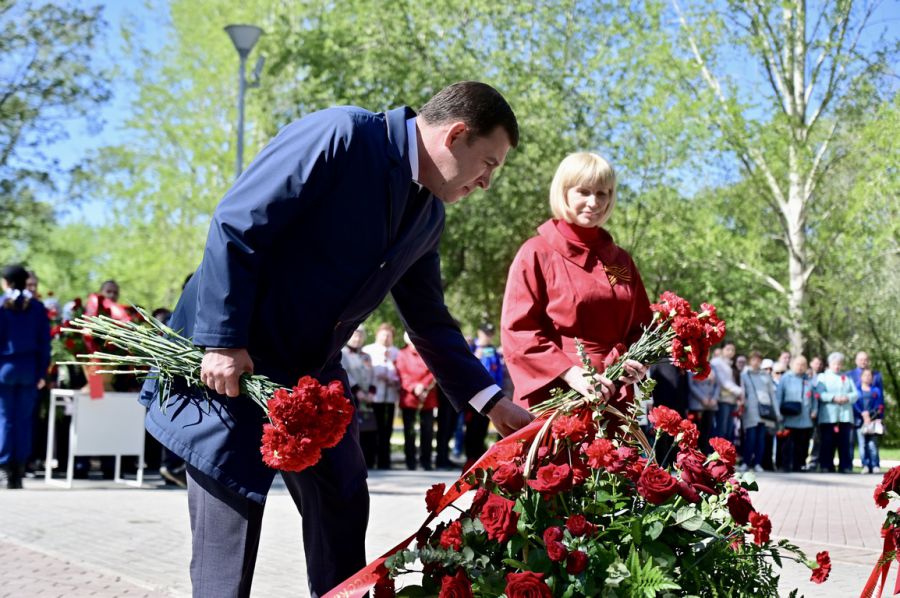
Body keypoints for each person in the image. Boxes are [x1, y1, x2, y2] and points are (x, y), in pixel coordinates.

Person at [138, 81, 533, 597]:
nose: (485, 183)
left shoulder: (428, 214)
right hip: (234, 365)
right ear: (456, 134)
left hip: (313, 378)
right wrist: (222, 340)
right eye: (489, 164)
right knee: (228, 537)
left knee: (343, 505)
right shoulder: (342, 135)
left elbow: (429, 320)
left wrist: (491, 401)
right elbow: (239, 224)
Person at [501, 152, 651, 415]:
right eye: (583, 192)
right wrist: (570, 373)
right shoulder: (537, 252)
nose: (593, 202)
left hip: (613, 394)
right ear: (564, 192)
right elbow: (518, 330)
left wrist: (636, 361)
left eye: (602, 193)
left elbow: (641, 326)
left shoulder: (620, 261)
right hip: (557, 393)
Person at [0, 265, 51, 489]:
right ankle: (19, 470)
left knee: (5, 418)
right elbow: (44, 344)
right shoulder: (38, 307)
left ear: (6, 282)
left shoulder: (2, 305)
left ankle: (4, 466)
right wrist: (42, 372)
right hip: (29, 368)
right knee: (24, 420)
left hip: (5, 367)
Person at [463, 322, 505, 469]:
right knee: (471, 429)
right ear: (479, 332)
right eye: (486, 333)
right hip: (473, 396)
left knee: (482, 429)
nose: (488, 336)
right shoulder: (470, 346)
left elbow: (498, 373)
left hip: (491, 396)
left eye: (490, 333)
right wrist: (474, 355)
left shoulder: (494, 351)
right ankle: (469, 460)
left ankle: (479, 461)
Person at [395, 332, 438, 470]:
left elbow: (434, 370)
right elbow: (402, 374)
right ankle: (410, 461)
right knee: (410, 431)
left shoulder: (428, 351)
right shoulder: (402, 354)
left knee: (427, 431)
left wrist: (424, 386)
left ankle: (426, 461)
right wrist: (414, 387)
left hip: (428, 397)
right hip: (409, 398)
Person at [363, 323, 401, 470]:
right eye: (383, 334)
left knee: (387, 430)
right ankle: (370, 459)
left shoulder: (396, 352)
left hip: (390, 397)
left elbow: (400, 373)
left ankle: (385, 461)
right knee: (373, 430)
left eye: (389, 335)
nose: (385, 338)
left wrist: (393, 380)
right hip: (373, 397)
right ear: (377, 335)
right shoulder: (368, 350)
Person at [774, 356, 821, 472]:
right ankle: (785, 465)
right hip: (789, 417)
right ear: (792, 365)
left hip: (805, 418)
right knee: (788, 444)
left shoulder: (808, 380)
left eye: (803, 365)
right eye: (798, 364)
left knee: (803, 444)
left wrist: (814, 410)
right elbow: (779, 397)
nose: (800, 367)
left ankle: (799, 465)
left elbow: (814, 398)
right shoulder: (785, 378)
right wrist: (778, 413)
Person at [817, 352, 859, 473]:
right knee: (827, 442)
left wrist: (847, 398)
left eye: (839, 364)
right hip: (828, 416)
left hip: (845, 416)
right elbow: (820, 394)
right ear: (829, 364)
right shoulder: (822, 377)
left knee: (845, 443)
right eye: (835, 364)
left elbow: (855, 394)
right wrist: (833, 397)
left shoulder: (847, 378)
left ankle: (845, 466)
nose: (837, 366)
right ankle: (826, 465)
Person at [341, 326, 377, 468]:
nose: (357, 339)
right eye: (355, 335)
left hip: (367, 398)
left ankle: (368, 460)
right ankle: (353, 462)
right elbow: (345, 373)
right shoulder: (342, 354)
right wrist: (357, 391)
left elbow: (372, 374)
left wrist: (372, 392)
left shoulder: (366, 356)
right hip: (352, 395)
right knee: (354, 429)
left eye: (361, 336)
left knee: (369, 428)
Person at [740, 351, 779, 473]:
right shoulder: (744, 375)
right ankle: (746, 462)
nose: (756, 362)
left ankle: (758, 463)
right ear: (750, 361)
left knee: (761, 439)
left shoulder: (766, 376)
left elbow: (772, 395)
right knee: (750, 438)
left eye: (758, 360)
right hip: (750, 410)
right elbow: (742, 393)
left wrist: (776, 412)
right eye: (753, 360)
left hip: (764, 410)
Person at [648, 360, 689, 466]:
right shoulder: (658, 363)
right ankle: (661, 463)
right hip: (663, 407)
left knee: (676, 436)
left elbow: (685, 386)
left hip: (679, 406)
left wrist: (685, 406)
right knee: (662, 437)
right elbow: (652, 385)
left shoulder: (680, 362)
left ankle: (673, 462)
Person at [710, 342, 744, 443]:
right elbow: (723, 382)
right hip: (722, 400)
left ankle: (725, 456)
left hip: (732, 402)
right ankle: (715, 456)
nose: (731, 352)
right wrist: (740, 392)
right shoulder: (716, 362)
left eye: (733, 350)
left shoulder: (731, 364)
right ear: (722, 350)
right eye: (728, 349)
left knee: (729, 431)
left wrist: (740, 396)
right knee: (721, 430)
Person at [855, 368, 884, 473]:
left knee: (873, 444)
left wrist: (871, 416)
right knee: (862, 444)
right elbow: (855, 405)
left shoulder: (876, 391)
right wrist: (863, 414)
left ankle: (875, 465)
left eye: (869, 376)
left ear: (872, 378)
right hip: (860, 421)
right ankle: (865, 465)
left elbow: (879, 405)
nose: (867, 377)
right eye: (865, 375)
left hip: (873, 421)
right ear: (861, 377)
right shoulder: (856, 391)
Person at [687, 368, 719, 454]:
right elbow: (691, 385)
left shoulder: (713, 367)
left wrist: (714, 398)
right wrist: (702, 398)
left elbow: (717, 385)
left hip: (711, 405)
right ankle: (694, 456)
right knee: (696, 432)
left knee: (707, 431)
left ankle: (704, 455)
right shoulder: (691, 367)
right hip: (697, 404)